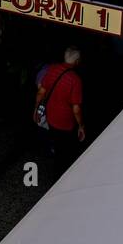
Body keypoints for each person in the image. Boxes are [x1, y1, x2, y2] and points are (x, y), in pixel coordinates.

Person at [33, 47, 85, 181]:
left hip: (51, 118)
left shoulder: (52, 69)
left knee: (57, 145)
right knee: (66, 151)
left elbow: (41, 92)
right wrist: (81, 126)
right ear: (77, 61)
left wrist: (36, 110)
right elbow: (76, 109)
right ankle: (62, 178)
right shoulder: (75, 80)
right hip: (65, 123)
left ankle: (56, 172)